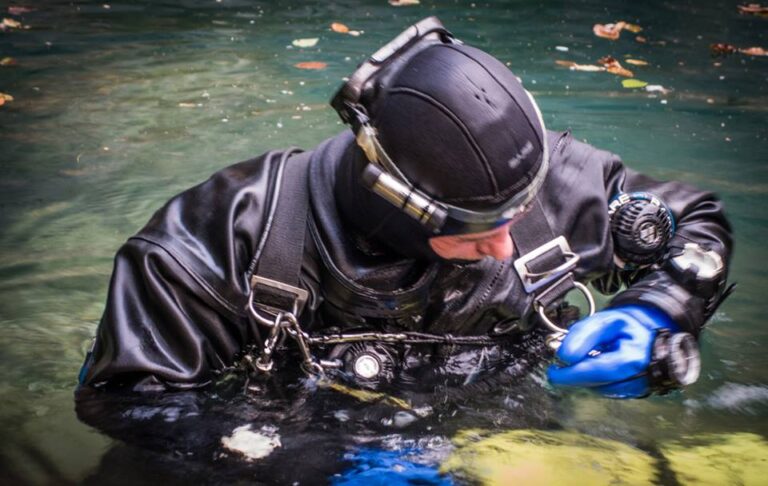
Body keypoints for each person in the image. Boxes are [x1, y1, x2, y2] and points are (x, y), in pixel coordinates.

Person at [77, 17, 732, 399]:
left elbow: (697, 220)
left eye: (519, 212)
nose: (507, 247)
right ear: (396, 208)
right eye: (477, 232)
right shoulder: (208, 249)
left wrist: (659, 309)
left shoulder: (550, 178)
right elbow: (135, 414)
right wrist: (323, 461)